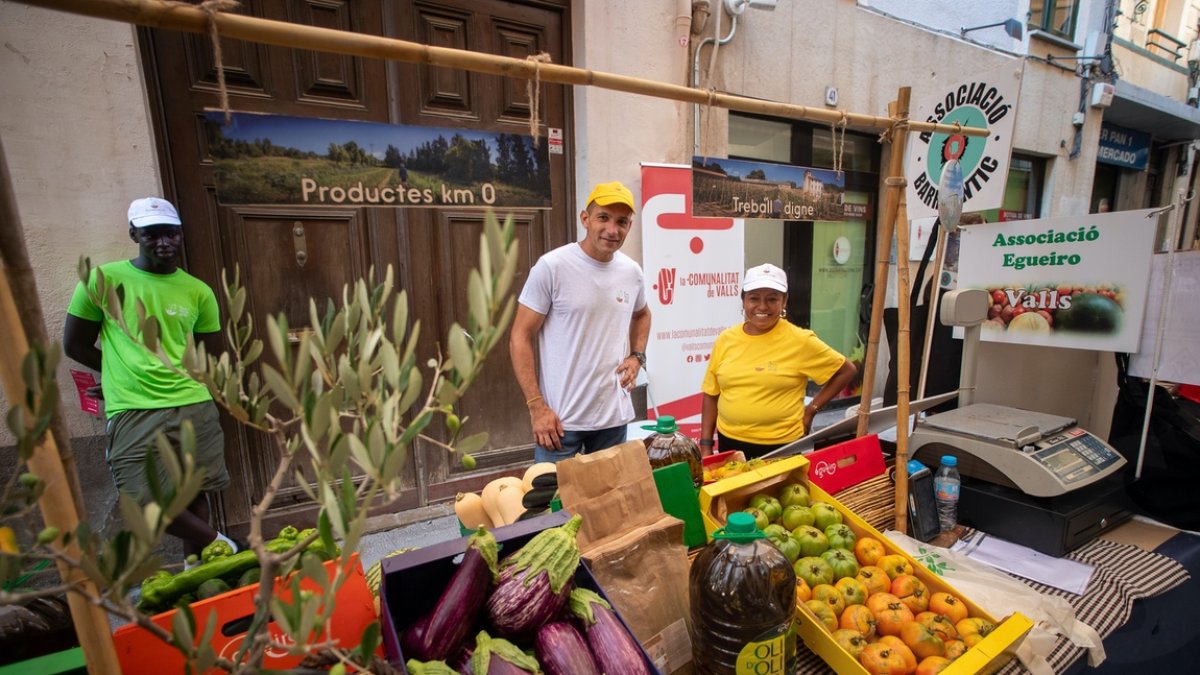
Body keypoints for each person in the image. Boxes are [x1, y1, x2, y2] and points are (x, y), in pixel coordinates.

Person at [64, 197, 240, 563]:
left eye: (171, 235)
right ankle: (227, 545)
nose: (164, 243)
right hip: (135, 408)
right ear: (134, 235)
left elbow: (206, 354)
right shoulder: (103, 280)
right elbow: (75, 345)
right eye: (152, 235)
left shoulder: (198, 291)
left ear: (180, 235)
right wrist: (115, 371)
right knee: (141, 499)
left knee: (194, 494)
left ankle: (199, 573)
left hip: (193, 403)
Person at [510, 181, 652, 462]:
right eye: (603, 218)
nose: (612, 230)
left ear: (629, 227)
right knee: (555, 505)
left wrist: (637, 356)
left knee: (609, 503)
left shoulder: (631, 272)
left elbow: (642, 313)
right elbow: (519, 337)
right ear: (585, 219)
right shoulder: (553, 267)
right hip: (560, 423)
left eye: (621, 222)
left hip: (612, 418)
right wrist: (536, 407)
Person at [699, 263, 857, 459]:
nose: (762, 306)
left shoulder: (800, 340)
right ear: (743, 300)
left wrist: (811, 410)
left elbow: (846, 371)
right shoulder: (726, 339)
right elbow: (711, 393)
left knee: (782, 491)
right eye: (754, 298)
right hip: (730, 443)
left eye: (772, 299)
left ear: (784, 301)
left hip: (781, 446)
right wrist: (705, 444)